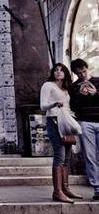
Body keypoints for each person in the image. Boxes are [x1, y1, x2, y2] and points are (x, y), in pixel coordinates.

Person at [40, 63, 82, 203]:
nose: (58, 72)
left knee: (67, 157)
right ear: (53, 72)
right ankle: (57, 192)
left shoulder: (65, 88)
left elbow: (68, 106)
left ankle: (65, 188)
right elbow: (42, 105)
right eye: (56, 70)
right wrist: (54, 104)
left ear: (65, 73)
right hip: (53, 121)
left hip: (66, 122)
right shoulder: (48, 85)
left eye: (61, 70)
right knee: (60, 155)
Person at [70, 58, 99, 200]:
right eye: (78, 73)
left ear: (87, 68)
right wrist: (80, 96)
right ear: (75, 74)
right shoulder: (74, 87)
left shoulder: (98, 81)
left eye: (84, 71)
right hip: (85, 123)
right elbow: (74, 108)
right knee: (90, 156)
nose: (82, 75)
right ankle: (97, 188)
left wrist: (96, 94)